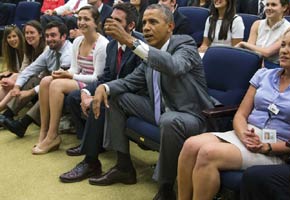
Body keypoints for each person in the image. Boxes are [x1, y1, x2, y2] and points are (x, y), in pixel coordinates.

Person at [87, 4, 213, 200]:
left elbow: (174, 66)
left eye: (153, 22)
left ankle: (165, 188)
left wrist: (130, 41)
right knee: (116, 97)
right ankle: (124, 166)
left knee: (169, 121)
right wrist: (104, 88)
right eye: (144, 22)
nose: (146, 27)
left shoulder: (184, 44)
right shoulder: (149, 51)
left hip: (191, 116)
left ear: (170, 26)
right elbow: (131, 81)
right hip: (160, 110)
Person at [177, 25, 290, 200]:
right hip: (248, 132)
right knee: (190, 145)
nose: (284, 51)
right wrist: (244, 135)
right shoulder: (264, 75)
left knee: (208, 153)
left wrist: (267, 146)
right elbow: (241, 114)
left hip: (278, 147)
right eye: (283, 45)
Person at [58, 2, 143, 183]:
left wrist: (100, 93)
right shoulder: (113, 45)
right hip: (114, 92)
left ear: (131, 26)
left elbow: (136, 83)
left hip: (135, 98)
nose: (111, 23)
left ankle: (91, 162)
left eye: (117, 21)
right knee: (76, 96)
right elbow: (105, 77)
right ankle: (88, 145)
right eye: (110, 19)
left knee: (102, 103)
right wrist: (86, 92)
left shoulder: (140, 47)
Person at [32, 6, 109, 155]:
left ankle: (53, 135)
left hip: (93, 84)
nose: (81, 22)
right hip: (79, 78)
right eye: (79, 18)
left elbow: (97, 77)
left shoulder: (102, 44)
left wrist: (69, 76)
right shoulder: (78, 41)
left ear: (96, 22)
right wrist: (64, 72)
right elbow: (74, 68)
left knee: (56, 84)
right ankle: (44, 131)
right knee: (46, 80)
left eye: (86, 19)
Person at [0, 21, 72, 137]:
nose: (49, 39)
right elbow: (29, 70)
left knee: (49, 88)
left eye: (53, 35)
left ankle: (23, 124)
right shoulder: (50, 51)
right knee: (32, 79)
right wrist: (17, 87)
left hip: (66, 87)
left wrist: (30, 92)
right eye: (47, 36)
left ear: (63, 36)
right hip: (48, 83)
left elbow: (57, 80)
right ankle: (7, 114)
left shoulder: (67, 54)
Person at [0, 20, 46, 112]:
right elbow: (23, 70)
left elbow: (40, 75)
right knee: (7, 79)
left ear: (40, 34)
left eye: (32, 32)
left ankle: (2, 107)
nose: (12, 39)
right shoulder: (28, 49)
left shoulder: (46, 49)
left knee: (13, 78)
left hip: (39, 84)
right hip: (28, 80)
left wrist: (15, 83)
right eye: (27, 33)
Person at [236, 0, 290, 68]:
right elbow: (250, 52)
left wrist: (243, 43)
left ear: (284, 7)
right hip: (254, 62)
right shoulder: (257, 24)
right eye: (267, 5)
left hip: (273, 67)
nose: (269, 8)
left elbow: (267, 53)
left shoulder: (289, 29)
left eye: (273, 5)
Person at [0, 25, 24, 108]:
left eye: (14, 36)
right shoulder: (13, 52)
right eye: (9, 37)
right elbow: (13, 70)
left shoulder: (26, 51)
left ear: (20, 36)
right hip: (17, 79)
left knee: (11, 79)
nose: (12, 39)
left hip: (25, 82)